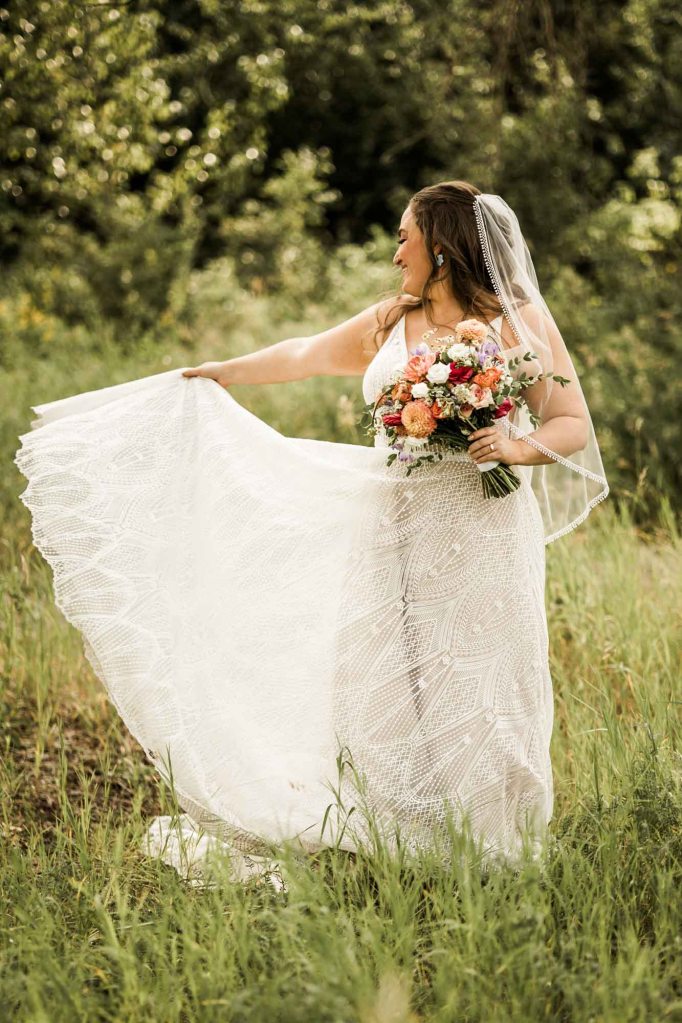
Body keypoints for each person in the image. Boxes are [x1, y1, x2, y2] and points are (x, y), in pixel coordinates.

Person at [14, 180, 609, 883]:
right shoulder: (394, 318)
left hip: (480, 525)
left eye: (403, 238)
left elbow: (571, 425)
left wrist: (514, 448)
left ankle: (485, 840)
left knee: (474, 679)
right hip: (390, 520)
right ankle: (398, 827)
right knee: (380, 674)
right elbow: (303, 355)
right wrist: (217, 374)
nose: (395, 256)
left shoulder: (517, 322)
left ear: (441, 250)